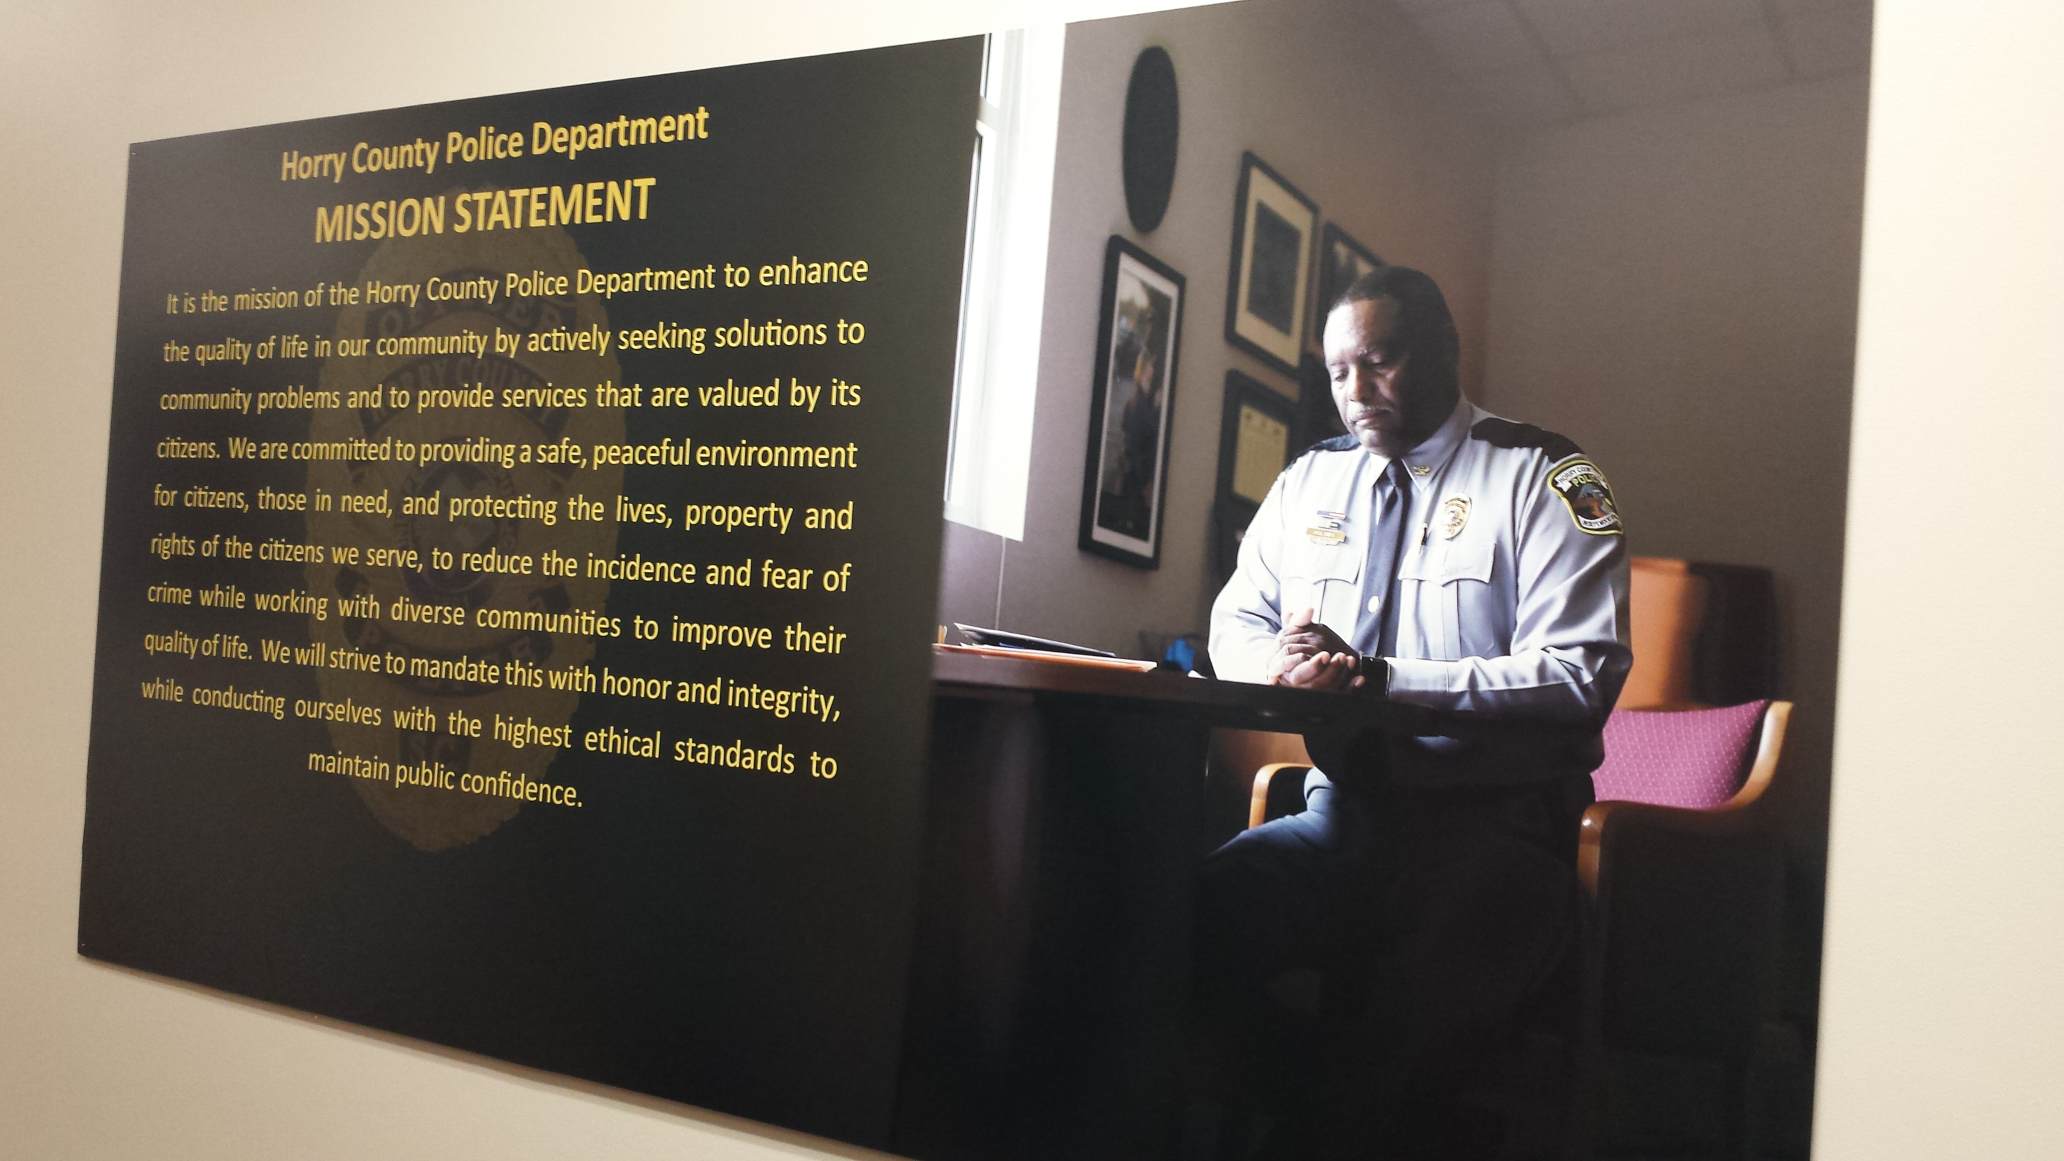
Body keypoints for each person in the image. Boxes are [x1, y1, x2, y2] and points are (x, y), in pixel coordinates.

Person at [1194, 265, 1630, 1157]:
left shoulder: (1549, 474)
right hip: (1340, 821)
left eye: (1380, 361)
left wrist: (1385, 680)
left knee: (1393, 1030)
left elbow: (1580, 671)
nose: (1357, 393)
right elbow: (1235, 617)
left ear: (1444, 350)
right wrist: (1278, 666)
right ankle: (1333, 1115)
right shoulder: (1310, 483)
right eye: (1339, 372)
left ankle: (1336, 1124)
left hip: (1496, 838)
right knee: (1180, 932)